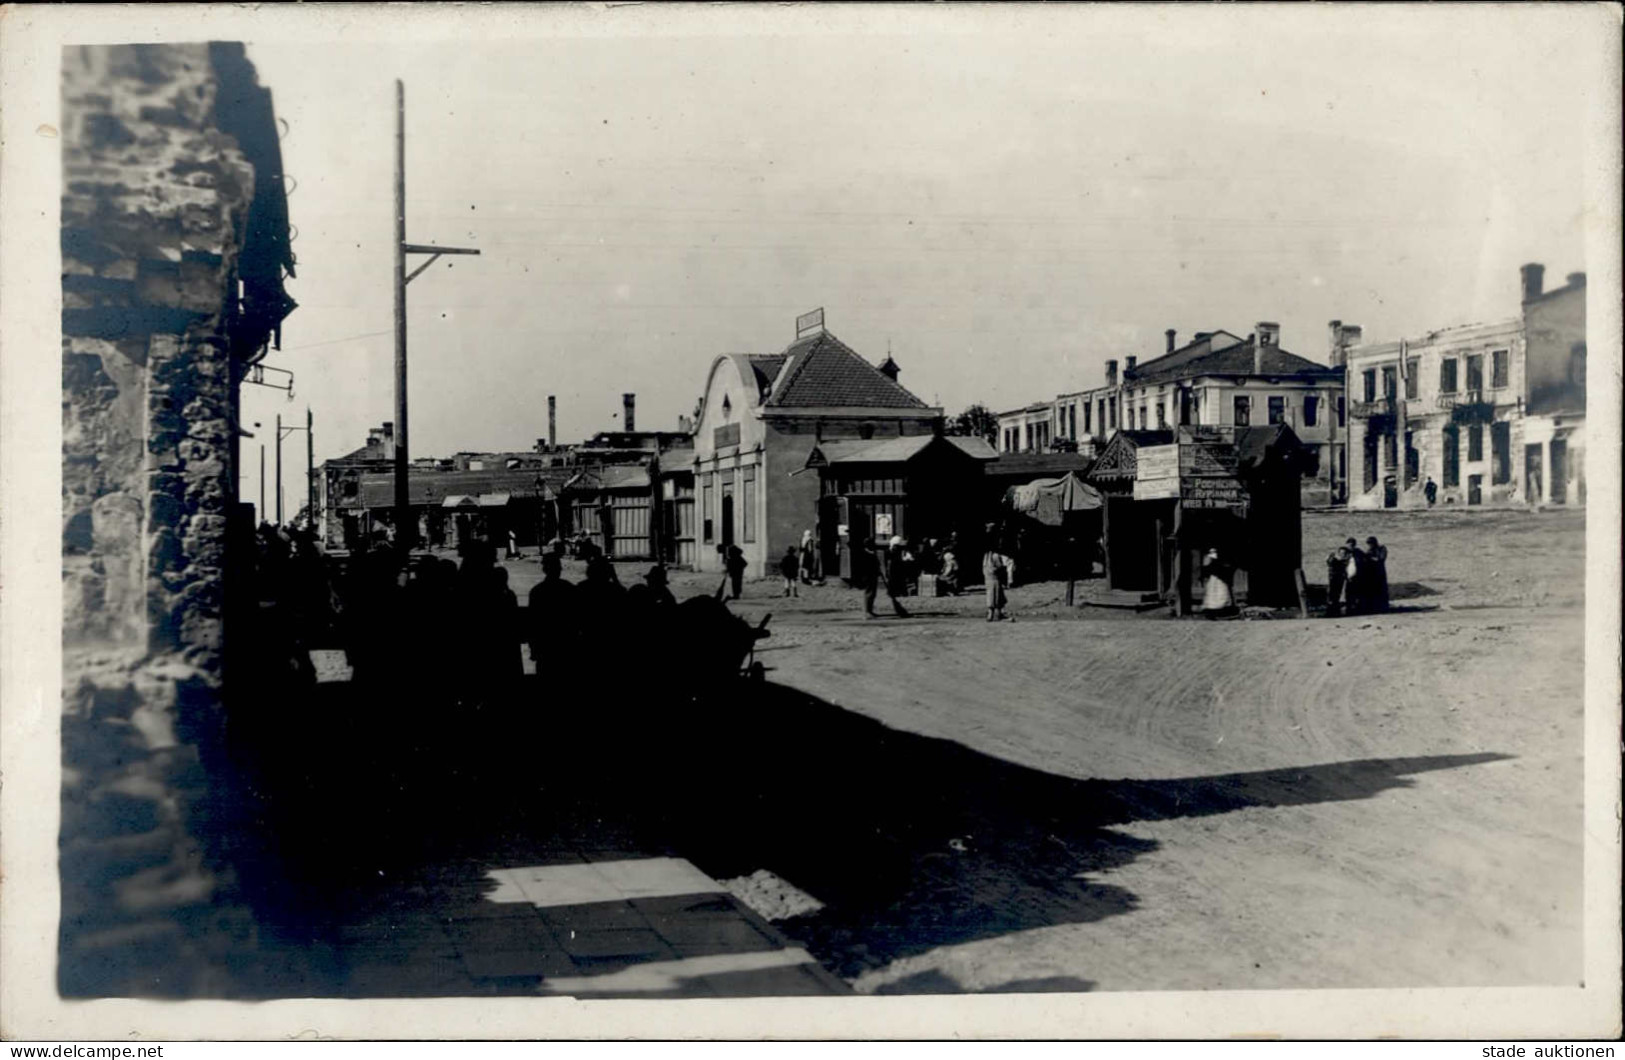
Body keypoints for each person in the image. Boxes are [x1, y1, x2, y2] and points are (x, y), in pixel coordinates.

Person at [527, 551, 577, 666]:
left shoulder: (537, 591)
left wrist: (534, 647)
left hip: (545, 646)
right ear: (559, 568)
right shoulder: (569, 589)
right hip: (567, 644)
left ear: (544, 569)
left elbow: (533, 622)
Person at [982, 527, 1010, 622]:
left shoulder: (986, 555)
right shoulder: (995, 555)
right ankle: (996, 614)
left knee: (991, 594)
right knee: (996, 595)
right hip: (994, 577)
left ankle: (991, 614)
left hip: (988, 576)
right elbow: (1000, 567)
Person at [1200, 548, 1236, 617]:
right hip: (1214, 574)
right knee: (1214, 589)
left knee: (1221, 589)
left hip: (1220, 573)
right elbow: (1207, 564)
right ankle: (1213, 609)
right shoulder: (1211, 554)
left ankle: (1221, 609)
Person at [1365, 536, 1390, 612]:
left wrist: (1370, 558)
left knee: (1382, 589)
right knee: (1374, 590)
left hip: (1380, 572)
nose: (1370, 545)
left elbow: (1381, 559)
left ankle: (1384, 607)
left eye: (1371, 543)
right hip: (1373, 573)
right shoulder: (1370, 550)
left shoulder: (1382, 548)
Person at [1325, 542, 1350, 617]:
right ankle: (1331, 612)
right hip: (1333, 579)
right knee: (1332, 595)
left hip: (1340, 579)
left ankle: (1334, 611)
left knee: (1336, 596)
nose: (1342, 554)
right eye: (1341, 553)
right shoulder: (1337, 560)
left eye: (1344, 553)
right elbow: (1329, 562)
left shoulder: (1345, 560)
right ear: (1339, 553)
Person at [1342, 537, 1367, 615]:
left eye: (1352, 544)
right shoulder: (1345, 552)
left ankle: (1358, 609)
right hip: (1348, 576)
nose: (1351, 546)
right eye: (1349, 545)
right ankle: (1349, 609)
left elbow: (1365, 560)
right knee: (1348, 594)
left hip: (1358, 576)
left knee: (1358, 593)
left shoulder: (1358, 552)